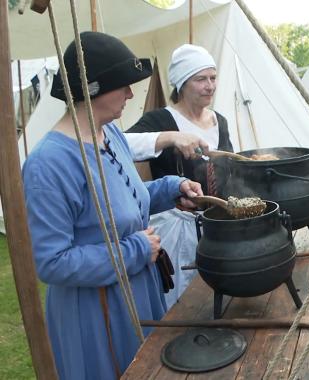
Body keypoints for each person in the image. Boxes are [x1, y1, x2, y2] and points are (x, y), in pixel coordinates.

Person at [22, 32, 203, 379]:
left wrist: (172, 188)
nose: (131, 94)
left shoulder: (111, 134)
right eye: (123, 85)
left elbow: (122, 204)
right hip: (96, 312)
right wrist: (135, 249)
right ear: (93, 89)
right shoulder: (49, 164)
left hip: (137, 291)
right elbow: (52, 263)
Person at [126, 44, 234, 306]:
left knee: (218, 295)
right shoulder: (161, 119)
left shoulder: (219, 120)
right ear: (182, 83)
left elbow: (229, 172)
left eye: (212, 77)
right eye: (200, 79)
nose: (210, 85)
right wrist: (170, 138)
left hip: (217, 224)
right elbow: (120, 144)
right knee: (182, 299)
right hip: (177, 226)